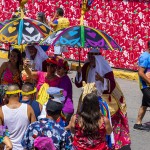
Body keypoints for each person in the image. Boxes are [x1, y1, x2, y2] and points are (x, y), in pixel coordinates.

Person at [75, 49, 131, 149]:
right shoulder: (86, 67)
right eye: (89, 55)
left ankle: (108, 142)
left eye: (93, 56)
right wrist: (79, 73)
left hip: (102, 98)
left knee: (105, 119)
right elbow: (79, 84)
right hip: (88, 98)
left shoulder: (106, 69)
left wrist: (102, 79)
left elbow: (112, 85)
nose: (91, 58)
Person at [0, 84, 36, 150]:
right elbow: (34, 131)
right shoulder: (28, 108)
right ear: (19, 94)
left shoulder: (1, 111)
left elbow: (1, 134)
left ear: (7, 96)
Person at [134, 41, 150, 130]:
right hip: (145, 85)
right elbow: (140, 72)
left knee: (144, 104)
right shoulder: (145, 56)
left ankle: (138, 123)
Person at [56, 56, 74, 124]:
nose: (57, 69)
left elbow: (62, 96)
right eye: (57, 67)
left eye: (60, 68)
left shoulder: (65, 80)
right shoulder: (62, 78)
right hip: (66, 108)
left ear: (65, 70)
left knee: (64, 128)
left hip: (65, 109)